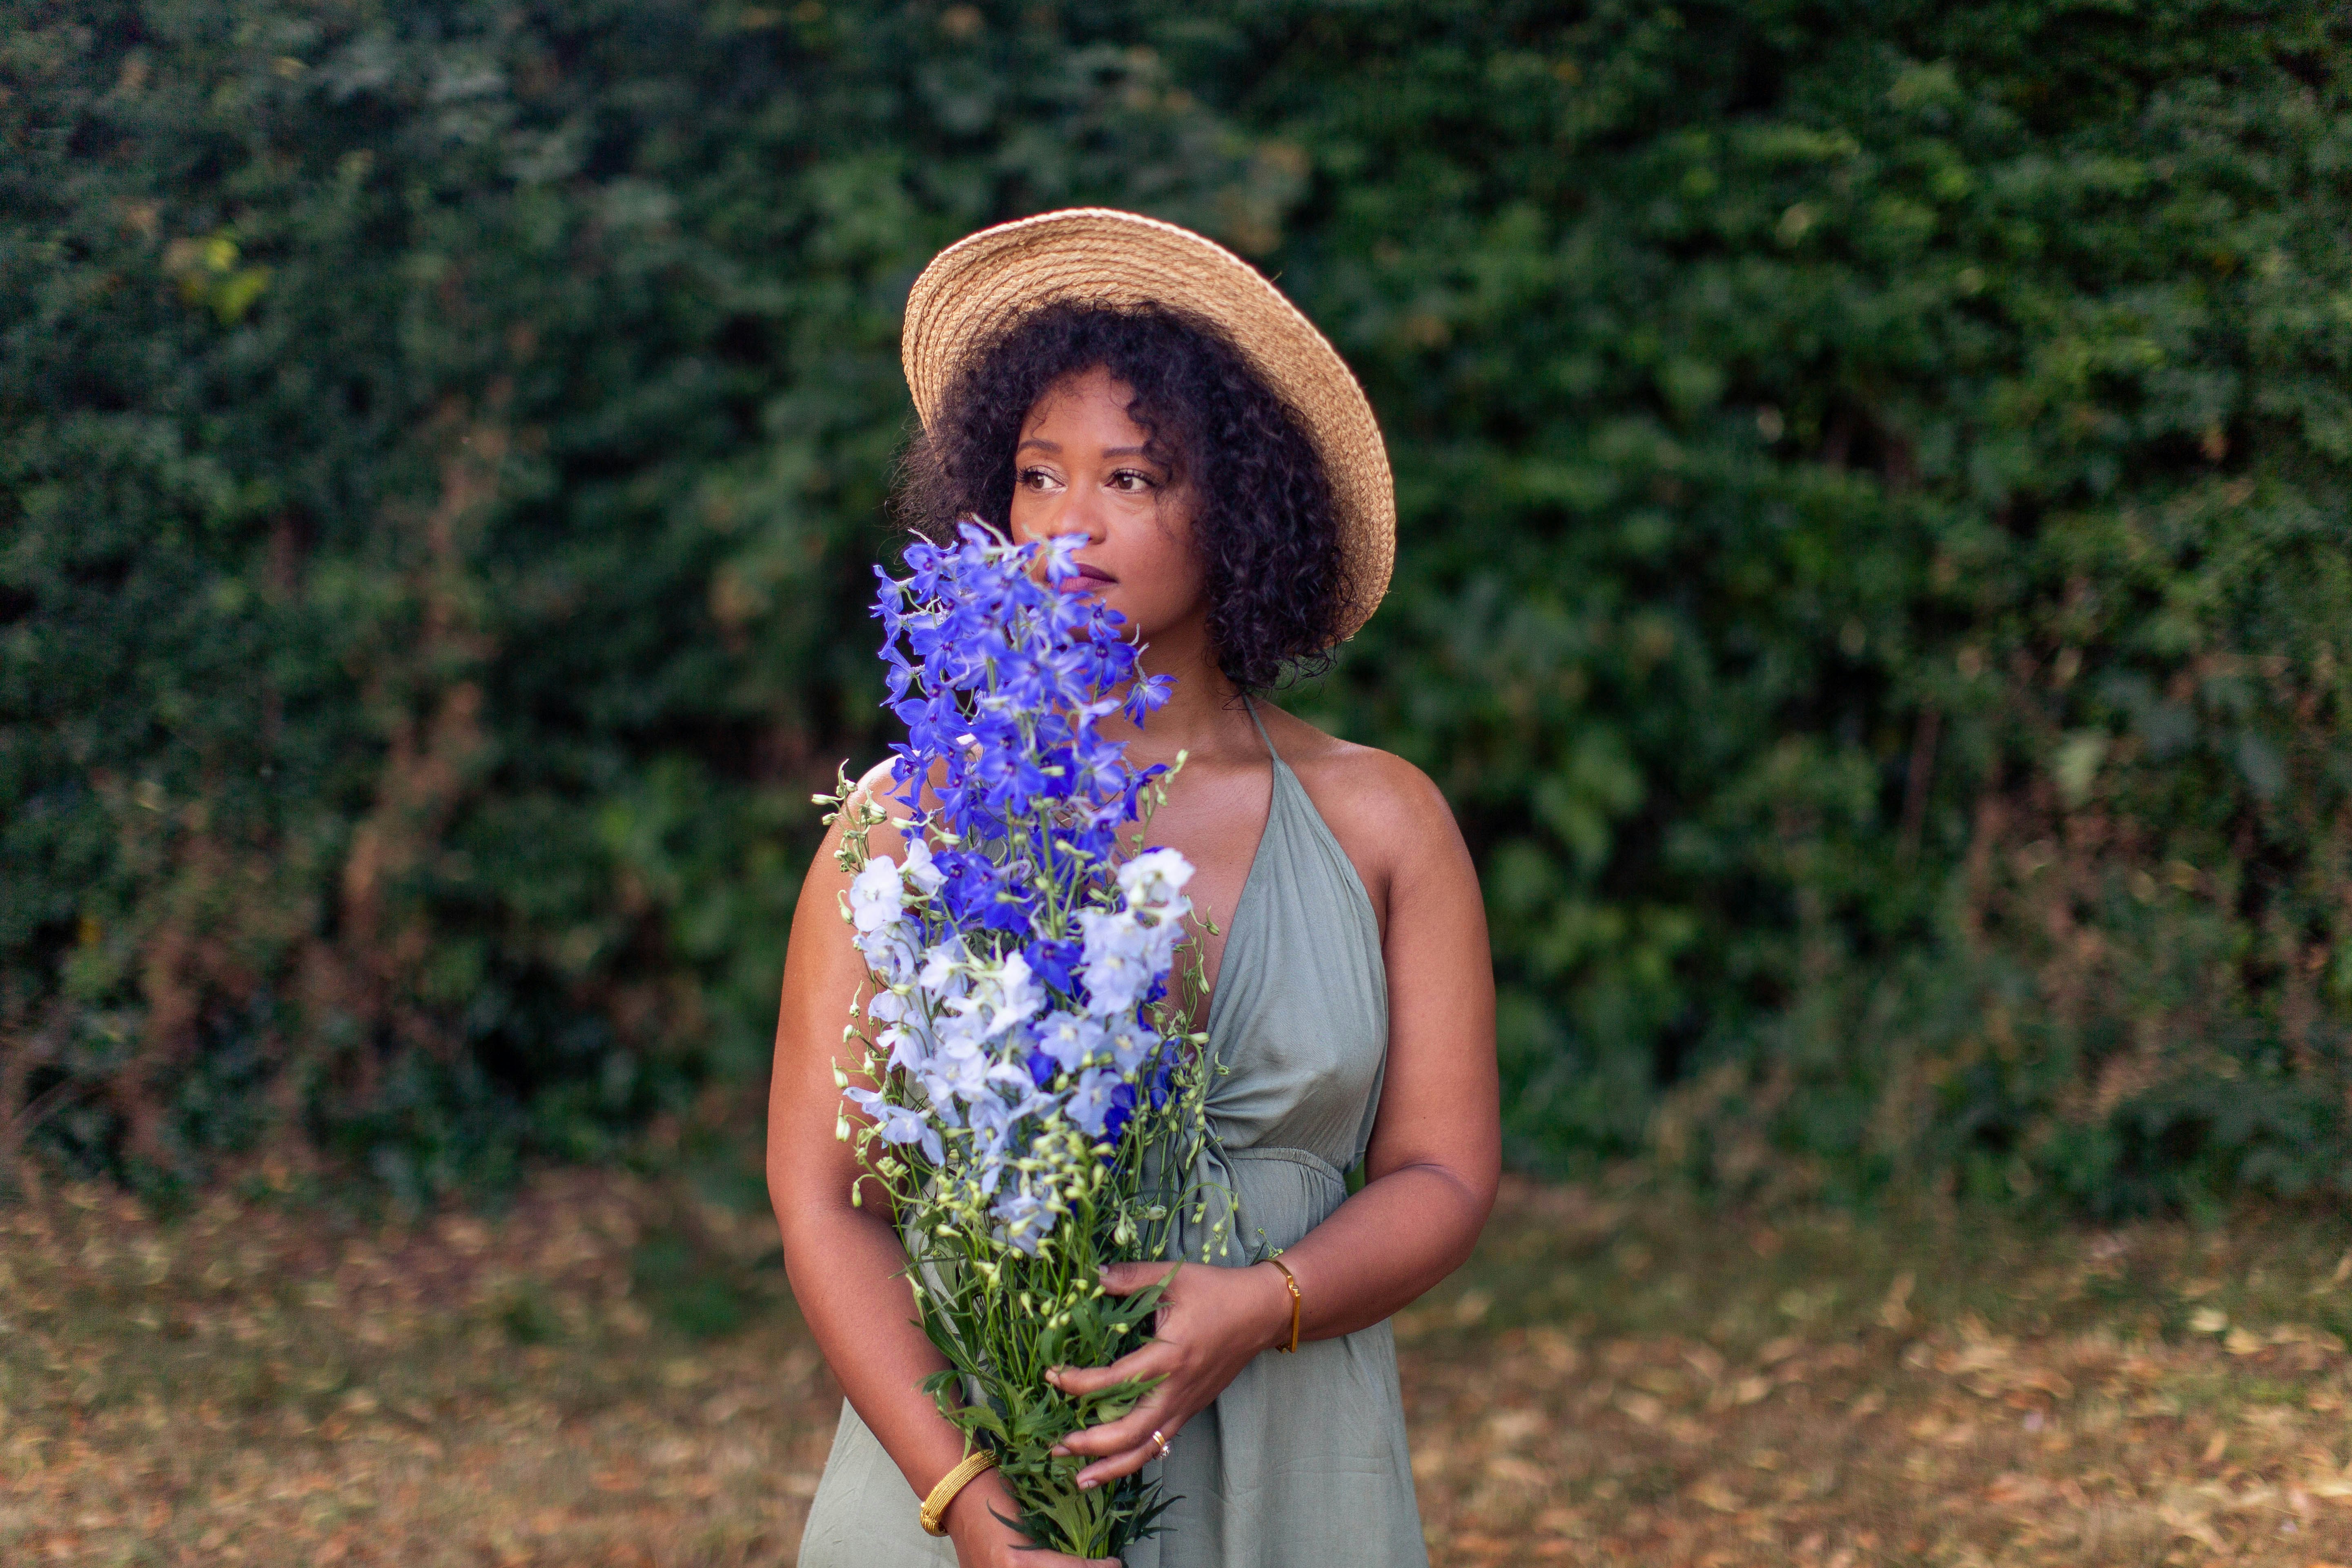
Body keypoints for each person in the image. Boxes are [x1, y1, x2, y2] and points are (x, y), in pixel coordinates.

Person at [769, 209, 1499, 1568]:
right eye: (1040, 477)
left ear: (1244, 502)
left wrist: (1262, 1302)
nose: (1072, 525)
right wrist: (979, 1514)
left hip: (1296, 1464)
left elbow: (1447, 1171)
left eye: (1135, 478)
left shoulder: (1384, 821)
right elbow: (822, 1203)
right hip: (978, 1470)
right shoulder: (907, 822)